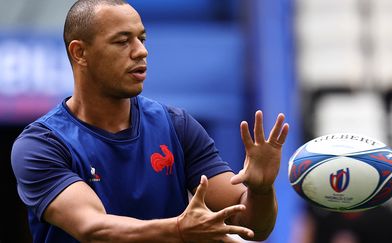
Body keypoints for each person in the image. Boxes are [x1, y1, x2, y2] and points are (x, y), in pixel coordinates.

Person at [10, 0, 290, 242]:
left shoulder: (177, 126)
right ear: (79, 53)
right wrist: (179, 230)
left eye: (141, 39)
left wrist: (261, 190)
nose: (141, 51)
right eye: (122, 41)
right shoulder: (42, 145)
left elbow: (252, 226)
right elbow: (93, 229)